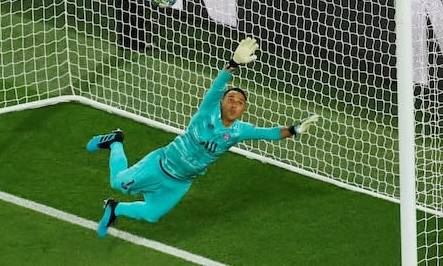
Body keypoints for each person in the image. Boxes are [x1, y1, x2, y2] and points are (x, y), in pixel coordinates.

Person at [86, 37, 320, 238]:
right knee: (118, 182)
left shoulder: (240, 131)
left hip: (180, 182)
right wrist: (233, 64)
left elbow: (270, 134)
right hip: (160, 165)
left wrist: (295, 129)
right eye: (231, 99)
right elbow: (218, 86)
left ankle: (114, 209)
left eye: (240, 103)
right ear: (221, 102)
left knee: (152, 214)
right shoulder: (207, 110)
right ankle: (116, 141)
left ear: (243, 110)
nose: (234, 103)